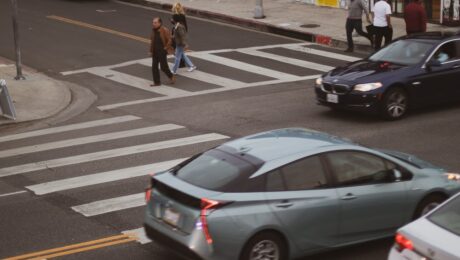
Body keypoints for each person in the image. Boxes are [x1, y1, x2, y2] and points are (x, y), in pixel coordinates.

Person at [149, 17, 175, 87]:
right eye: (153, 22)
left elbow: (170, 40)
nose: (153, 24)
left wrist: (165, 48)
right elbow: (152, 42)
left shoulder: (164, 30)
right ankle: (157, 82)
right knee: (154, 67)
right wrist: (151, 51)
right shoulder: (153, 30)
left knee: (163, 67)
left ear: (159, 23)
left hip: (162, 52)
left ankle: (171, 76)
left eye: (155, 23)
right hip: (155, 52)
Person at [171, 3, 188, 68]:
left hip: (177, 33)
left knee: (176, 48)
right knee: (180, 49)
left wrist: (171, 21)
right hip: (183, 32)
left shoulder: (174, 15)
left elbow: (175, 24)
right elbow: (185, 25)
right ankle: (183, 63)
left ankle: (180, 63)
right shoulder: (183, 15)